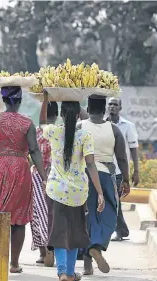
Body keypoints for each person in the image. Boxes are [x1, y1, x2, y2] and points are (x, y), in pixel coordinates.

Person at [0, 86, 47, 274]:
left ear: (3, 100)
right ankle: (14, 263)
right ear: (20, 101)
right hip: (19, 169)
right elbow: (35, 151)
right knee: (19, 217)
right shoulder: (27, 122)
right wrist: (44, 178)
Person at [41, 92, 105, 281]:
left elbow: (42, 122)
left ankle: (62, 272)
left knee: (59, 232)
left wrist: (45, 101)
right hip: (78, 193)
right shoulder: (86, 135)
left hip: (56, 191)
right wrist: (100, 193)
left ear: (61, 114)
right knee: (76, 232)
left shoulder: (53, 131)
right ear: (79, 114)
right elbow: (91, 165)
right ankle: (69, 272)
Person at [78, 96, 130, 276]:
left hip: (83, 176)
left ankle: (87, 265)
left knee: (86, 217)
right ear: (104, 110)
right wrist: (126, 180)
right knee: (108, 214)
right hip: (106, 177)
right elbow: (122, 157)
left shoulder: (80, 127)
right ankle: (96, 245)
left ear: (87, 108)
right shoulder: (114, 130)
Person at [107, 97, 140, 241]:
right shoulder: (101, 124)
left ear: (120, 108)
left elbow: (133, 149)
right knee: (111, 201)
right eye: (110, 104)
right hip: (104, 169)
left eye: (115, 104)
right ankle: (122, 229)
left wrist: (136, 171)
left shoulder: (128, 126)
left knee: (114, 201)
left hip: (120, 171)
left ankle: (120, 231)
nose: (112, 106)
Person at [31, 101, 59, 267]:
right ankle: (52, 249)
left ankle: (43, 253)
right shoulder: (59, 132)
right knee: (53, 214)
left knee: (36, 215)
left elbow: (31, 152)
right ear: (56, 116)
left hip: (36, 175)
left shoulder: (36, 131)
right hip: (55, 176)